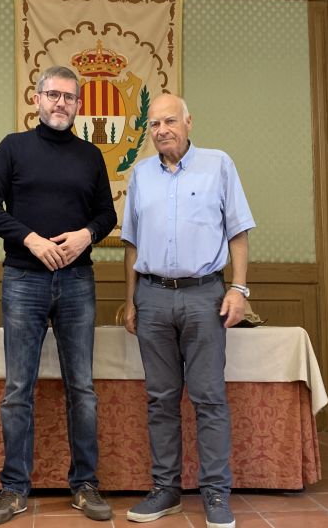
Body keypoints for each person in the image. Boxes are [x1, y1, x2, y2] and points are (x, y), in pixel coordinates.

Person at [0, 65, 117, 525]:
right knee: (18, 389)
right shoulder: (13, 147)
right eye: (53, 95)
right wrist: (30, 238)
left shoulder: (91, 155)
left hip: (78, 281)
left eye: (69, 98)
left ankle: (85, 484)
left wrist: (86, 236)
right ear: (36, 99)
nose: (60, 104)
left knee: (83, 390)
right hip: (23, 279)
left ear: (78, 106)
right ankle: (14, 489)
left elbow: (106, 214)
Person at [121, 94, 255, 528]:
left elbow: (237, 232)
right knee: (160, 400)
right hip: (153, 298)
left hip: (204, 296)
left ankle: (216, 493)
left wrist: (238, 288)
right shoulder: (140, 174)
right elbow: (132, 245)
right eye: (154, 124)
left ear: (188, 122)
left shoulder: (219, 164)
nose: (162, 130)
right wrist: (130, 299)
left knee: (209, 398)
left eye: (170, 121)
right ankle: (166, 491)